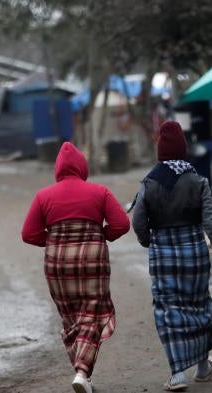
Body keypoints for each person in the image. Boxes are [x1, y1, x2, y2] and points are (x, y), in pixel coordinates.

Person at [21, 142, 130, 393]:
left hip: (57, 263)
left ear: (57, 169)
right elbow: (121, 224)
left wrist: (53, 240)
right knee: (92, 315)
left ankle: (83, 375)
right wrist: (101, 233)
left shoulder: (43, 196)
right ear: (83, 167)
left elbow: (28, 233)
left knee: (71, 319)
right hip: (92, 260)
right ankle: (82, 371)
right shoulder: (99, 191)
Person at [132, 120, 212, 391]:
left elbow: (138, 220)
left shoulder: (150, 182)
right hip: (194, 253)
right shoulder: (197, 180)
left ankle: (177, 374)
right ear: (184, 149)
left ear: (160, 150)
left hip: (163, 254)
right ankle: (202, 366)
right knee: (198, 305)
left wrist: (148, 241)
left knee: (168, 310)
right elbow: (211, 223)